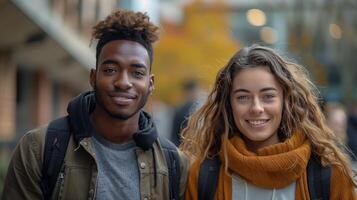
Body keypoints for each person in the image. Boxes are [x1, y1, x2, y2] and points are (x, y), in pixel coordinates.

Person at [2, 9, 188, 200]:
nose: (123, 82)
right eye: (110, 69)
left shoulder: (173, 163)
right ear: (93, 77)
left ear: (150, 84)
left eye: (137, 73)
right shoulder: (39, 148)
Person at [181, 45, 356, 200]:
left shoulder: (329, 175)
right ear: (229, 104)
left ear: (286, 101)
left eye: (268, 96)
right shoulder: (202, 176)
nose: (256, 108)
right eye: (243, 97)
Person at [171, 79, 200, 146]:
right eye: (194, 91)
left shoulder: (199, 107)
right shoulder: (181, 110)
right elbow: (174, 134)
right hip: (183, 147)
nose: (196, 93)